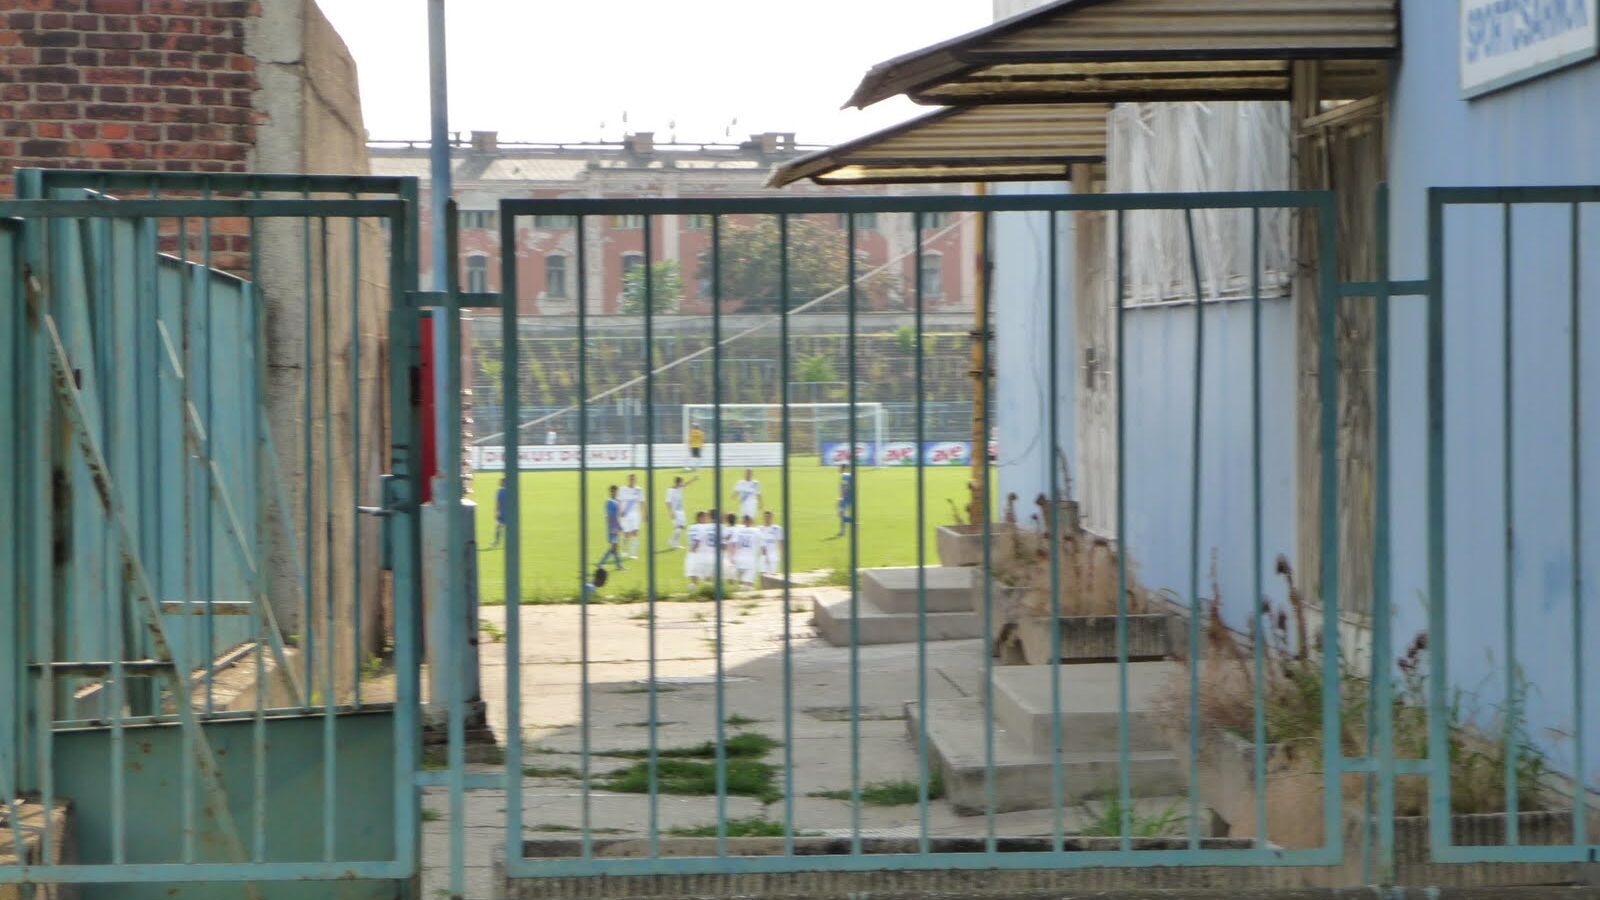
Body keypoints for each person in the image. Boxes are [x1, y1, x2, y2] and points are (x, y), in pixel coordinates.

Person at [666, 474, 697, 549]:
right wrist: (671, 512)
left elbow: (686, 483)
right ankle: (673, 542)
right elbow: (667, 502)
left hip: (681, 511)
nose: (682, 484)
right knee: (678, 527)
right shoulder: (670, 490)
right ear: (677, 483)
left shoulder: (680, 488)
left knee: (682, 527)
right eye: (681, 482)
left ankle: (673, 541)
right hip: (675, 511)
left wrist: (693, 479)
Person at [618, 472, 645, 559]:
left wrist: (644, 514)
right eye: (630, 479)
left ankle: (633, 553)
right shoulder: (622, 489)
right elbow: (619, 501)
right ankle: (624, 550)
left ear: (636, 480)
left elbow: (642, 502)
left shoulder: (639, 490)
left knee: (635, 533)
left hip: (635, 515)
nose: (632, 480)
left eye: (633, 479)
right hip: (625, 514)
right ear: (628, 479)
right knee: (626, 534)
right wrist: (620, 510)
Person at [598, 485, 625, 571]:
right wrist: (614, 528)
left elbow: (619, 514)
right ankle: (602, 563)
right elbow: (610, 516)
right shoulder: (610, 502)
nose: (616, 493)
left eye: (617, 491)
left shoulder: (616, 501)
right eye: (614, 491)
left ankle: (618, 565)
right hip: (613, 527)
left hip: (615, 526)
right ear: (611, 492)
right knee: (614, 547)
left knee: (615, 547)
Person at [733, 514, 760, 589]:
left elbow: (734, 545)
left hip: (739, 560)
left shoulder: (738, 531)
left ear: (743, 521)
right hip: (750, 561)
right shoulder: (756, 531)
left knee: (740, 584)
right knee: (749, 584)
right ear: (751, 521)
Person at [685, 511, 711, 585]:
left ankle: (693, 591)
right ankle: (707, 591)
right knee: (707, 578)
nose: (706, 519)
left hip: (691, 554)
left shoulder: (691, 527)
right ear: (700, 518)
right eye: (705, 517)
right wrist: (695, 548)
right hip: (701, 553)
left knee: (694, 580)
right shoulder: (703, 527)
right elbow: (697, 540)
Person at [760, 510, 785, 578]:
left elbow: (781, 542)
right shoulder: (760, 529)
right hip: (763, 555)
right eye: (766, 517)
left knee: (773, 575)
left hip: (773, 555)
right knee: (763, 575)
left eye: (769, 517)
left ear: (772, 517)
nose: (767, 519)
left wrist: (781, 555)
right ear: (763, 518)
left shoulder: (777, 528)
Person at [834, 464, 853, 537]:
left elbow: (845, 486)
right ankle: (842, 531)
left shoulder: (844, 475)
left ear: (843, 468)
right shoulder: (848, 475)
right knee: (842, 513)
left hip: (846, 497)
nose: (838, 468)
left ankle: (844, 530)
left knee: (841, 513)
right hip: (850, 497)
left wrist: (842, 497)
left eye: (840, 467)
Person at [489, 477, 508, 549]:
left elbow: (498, 503)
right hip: (509, 513)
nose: (499, 483)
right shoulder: (510, 491)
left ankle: (496, 543)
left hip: (502, 513)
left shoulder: (499, 491)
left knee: (498, 529)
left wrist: (496, 512)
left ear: (503, 483)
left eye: (500, 482)